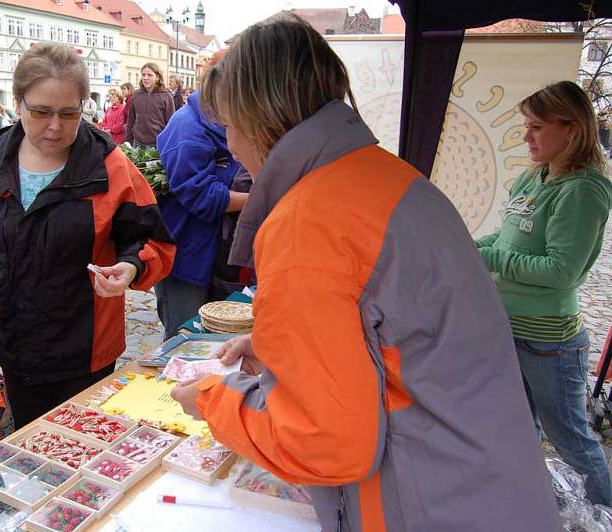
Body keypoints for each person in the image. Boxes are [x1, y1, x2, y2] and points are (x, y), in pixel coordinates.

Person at [171, 15, 561, 532]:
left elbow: (326, 443)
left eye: (230, 127)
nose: (234, 148)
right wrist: (281, 349)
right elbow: (392, 331)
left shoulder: (307, 219)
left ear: (258, 119)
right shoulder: (391, 177)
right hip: (485, 479)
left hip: (426, 499)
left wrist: (212, 401)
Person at [0, 43, 176, 428]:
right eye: (41, 112)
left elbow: (155, 241)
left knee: (80, 444)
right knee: (29, 437)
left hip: (84, 350)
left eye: (68, 114)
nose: (54, 126)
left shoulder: (110, 167)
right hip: (15, 346)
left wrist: (130, 266)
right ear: (19, 104)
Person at [476, 81, 612, 506]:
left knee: (571, 438)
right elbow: (509, 236)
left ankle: (605, 512)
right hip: (512, 331)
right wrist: (467, 246)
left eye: (536, 127)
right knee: (518, 429)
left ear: (571, 130)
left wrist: (493, 259)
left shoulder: (582, 191)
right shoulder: (534, 177)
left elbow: (560, 272)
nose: (526, 136)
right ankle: (532, 504)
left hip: (550, 342)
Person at [155, 81, 247, 339]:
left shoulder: (228, 121)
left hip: (219, 256)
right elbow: (200, 195)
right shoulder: (187, 126)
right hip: (187, 255)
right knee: (186, 337)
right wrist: (260, 198)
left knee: (219, 336)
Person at [124, 63, 174, 148]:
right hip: (137, 143)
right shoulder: (136, 95)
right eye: (143, 75)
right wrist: (127, 141)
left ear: (157, 77)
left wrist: (169, 144)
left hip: (157, 144)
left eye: (149, 75)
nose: (145, 78)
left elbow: (171, 123)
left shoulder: (166, 96)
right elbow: (131, 120)